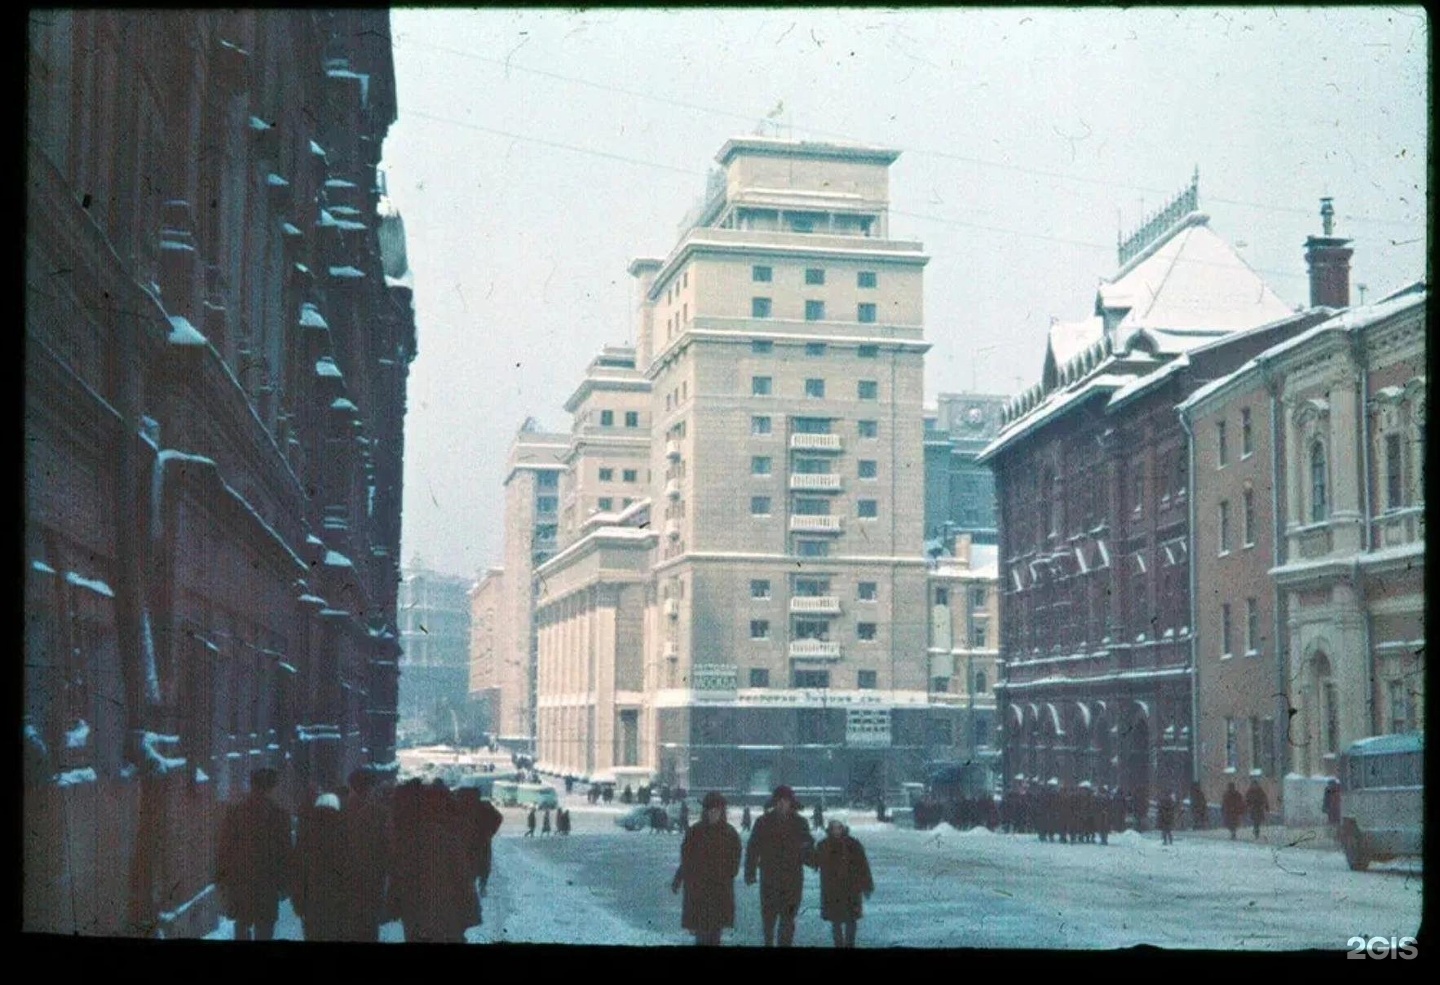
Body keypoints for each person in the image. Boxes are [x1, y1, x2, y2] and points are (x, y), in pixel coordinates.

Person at [215, 768, 293, 941]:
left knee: (242, 926)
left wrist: (222, 880)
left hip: (241, 885)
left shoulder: (235, 813)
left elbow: (225, 849)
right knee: (264, 931)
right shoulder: (280, 816)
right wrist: (284, 884)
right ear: (271, 787)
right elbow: (286, 854)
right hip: (267, 886)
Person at [744, 785, 815, 947]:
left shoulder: (800, 823)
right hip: (770, 878)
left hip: (793, 879)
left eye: (786, 801)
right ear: (774, 803)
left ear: (791, 803)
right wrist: (750, 871)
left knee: (788, 920)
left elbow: (807, 846)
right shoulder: (763, 822)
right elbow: (753, 847)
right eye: (779, 801)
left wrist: (813, 860)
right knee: (768, 919)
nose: (782, 804)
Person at [671, 791, 743, 946]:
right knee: (702, 934)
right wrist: (678, 879)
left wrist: (728, 873)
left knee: (715, 933)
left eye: (716, 811)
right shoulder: (695, 832)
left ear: (721, 812)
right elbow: (686, 859)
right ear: (705, 812)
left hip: (719, 891)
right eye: (710, 811)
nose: (713, 814)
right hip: (699, 891)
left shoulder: (730, 834)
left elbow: (735, 859)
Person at [343, 767, 394, 941]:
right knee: (369, 930)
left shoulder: (340, 812)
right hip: (372, 882)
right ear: (371, 788)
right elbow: (388, 850)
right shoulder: (380, 814)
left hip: (345, 881)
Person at [293, 792, 350, 941]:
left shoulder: (306, 834)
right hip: (336, 902)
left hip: (311, 901)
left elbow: (298, 870)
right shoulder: (343, 834)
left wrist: (298, 901)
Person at [809, 819, 874, 948]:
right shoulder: (824, 845)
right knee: (836, 921)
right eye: (834, 828)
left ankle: (850, 944)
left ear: (843, 828)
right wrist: (806, 850)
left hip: (851, 888)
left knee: (851, 920)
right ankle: (838, 944)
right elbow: (814, 861)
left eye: (839, 828)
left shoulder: (853, 844)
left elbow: (863, 865)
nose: (837, 831)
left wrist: (867, 885)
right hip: (833, 889)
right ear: (830, 829)